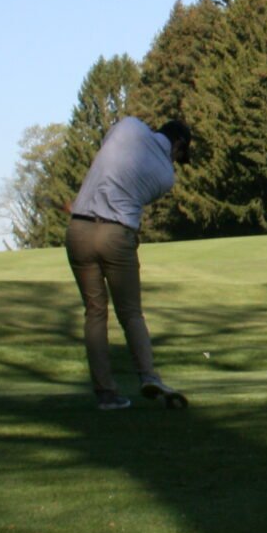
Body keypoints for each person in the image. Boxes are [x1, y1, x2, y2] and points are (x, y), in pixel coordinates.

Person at [66, 116, 192, 410]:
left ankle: (106, 394)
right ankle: (148, 375)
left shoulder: (128, 126)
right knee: (131, 314)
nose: (176, 160)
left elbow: (110, 162)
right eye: (179, 154)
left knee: (95, 313)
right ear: (177, 144)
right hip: (116, 235)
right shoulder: (166, 176)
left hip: (78, 229)